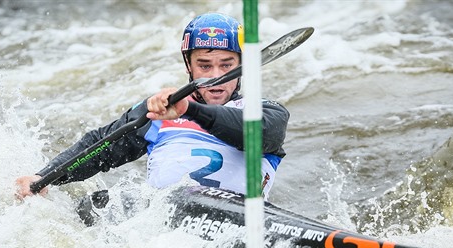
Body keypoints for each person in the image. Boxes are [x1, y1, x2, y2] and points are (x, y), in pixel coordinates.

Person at [15, 12, 289, 202]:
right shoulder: (158, 113)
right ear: (189, 67)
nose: (215, 76)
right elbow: (100, 145)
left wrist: (190, 110)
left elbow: (258, 135)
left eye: (226, 65)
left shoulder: (268, 112)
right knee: (98, 202)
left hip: (237, 216)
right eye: (204, 65)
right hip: (161, 216)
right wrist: (44, 177)